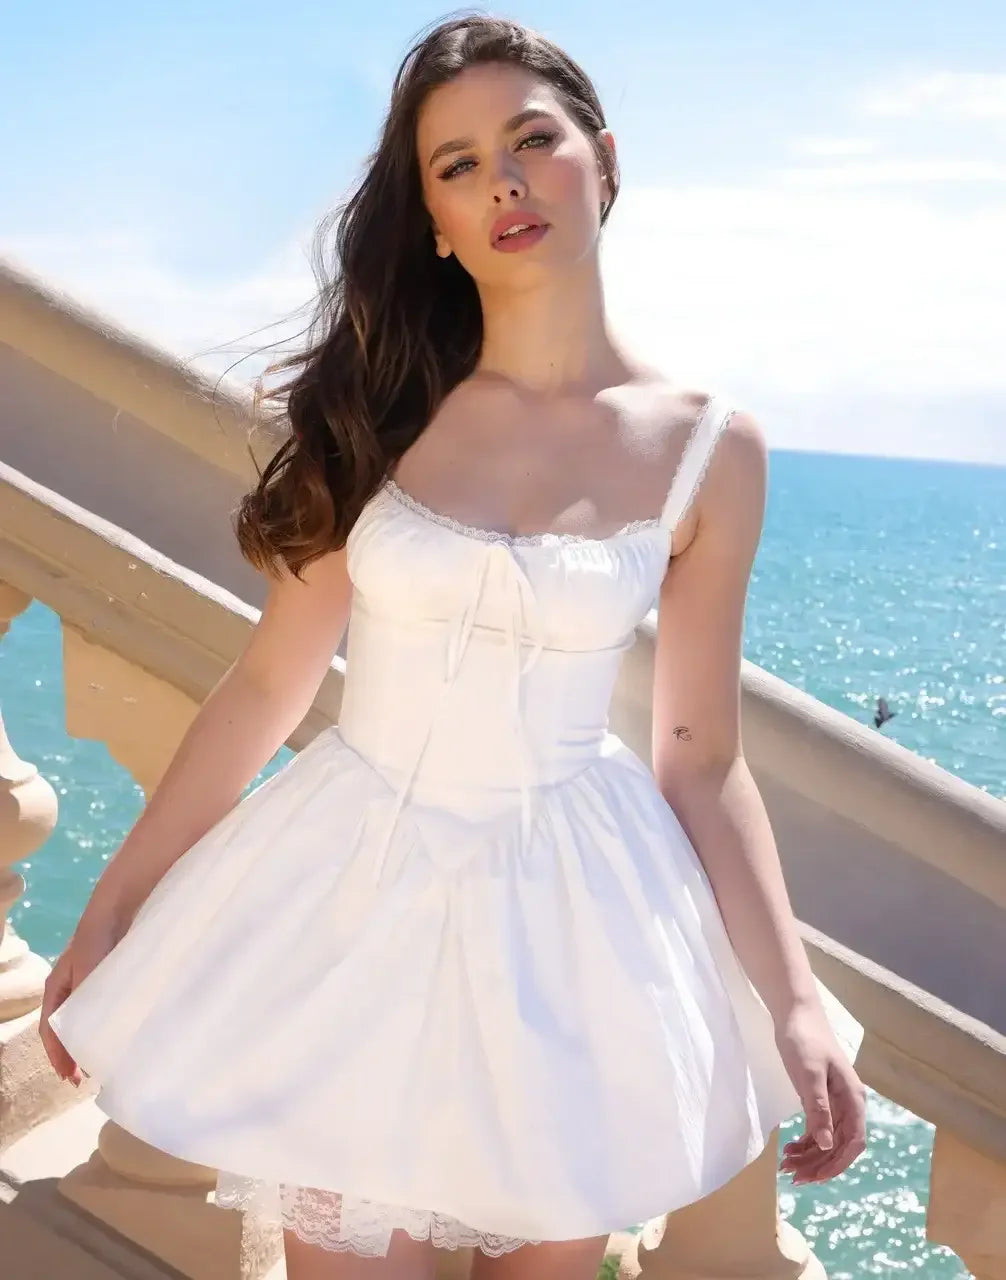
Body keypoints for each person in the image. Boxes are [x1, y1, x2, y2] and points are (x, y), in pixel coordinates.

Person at [40, 13, 867, 1279]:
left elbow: (699, 757)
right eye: (459, 165)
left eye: (533, 141)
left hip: (578, 931)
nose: (505, 182)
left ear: (602, 156)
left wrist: (796, 998)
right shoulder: (376, 408)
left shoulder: (713, 449)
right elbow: (269, 683)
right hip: (353, 902)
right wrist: (115, 906)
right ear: (431, 216)